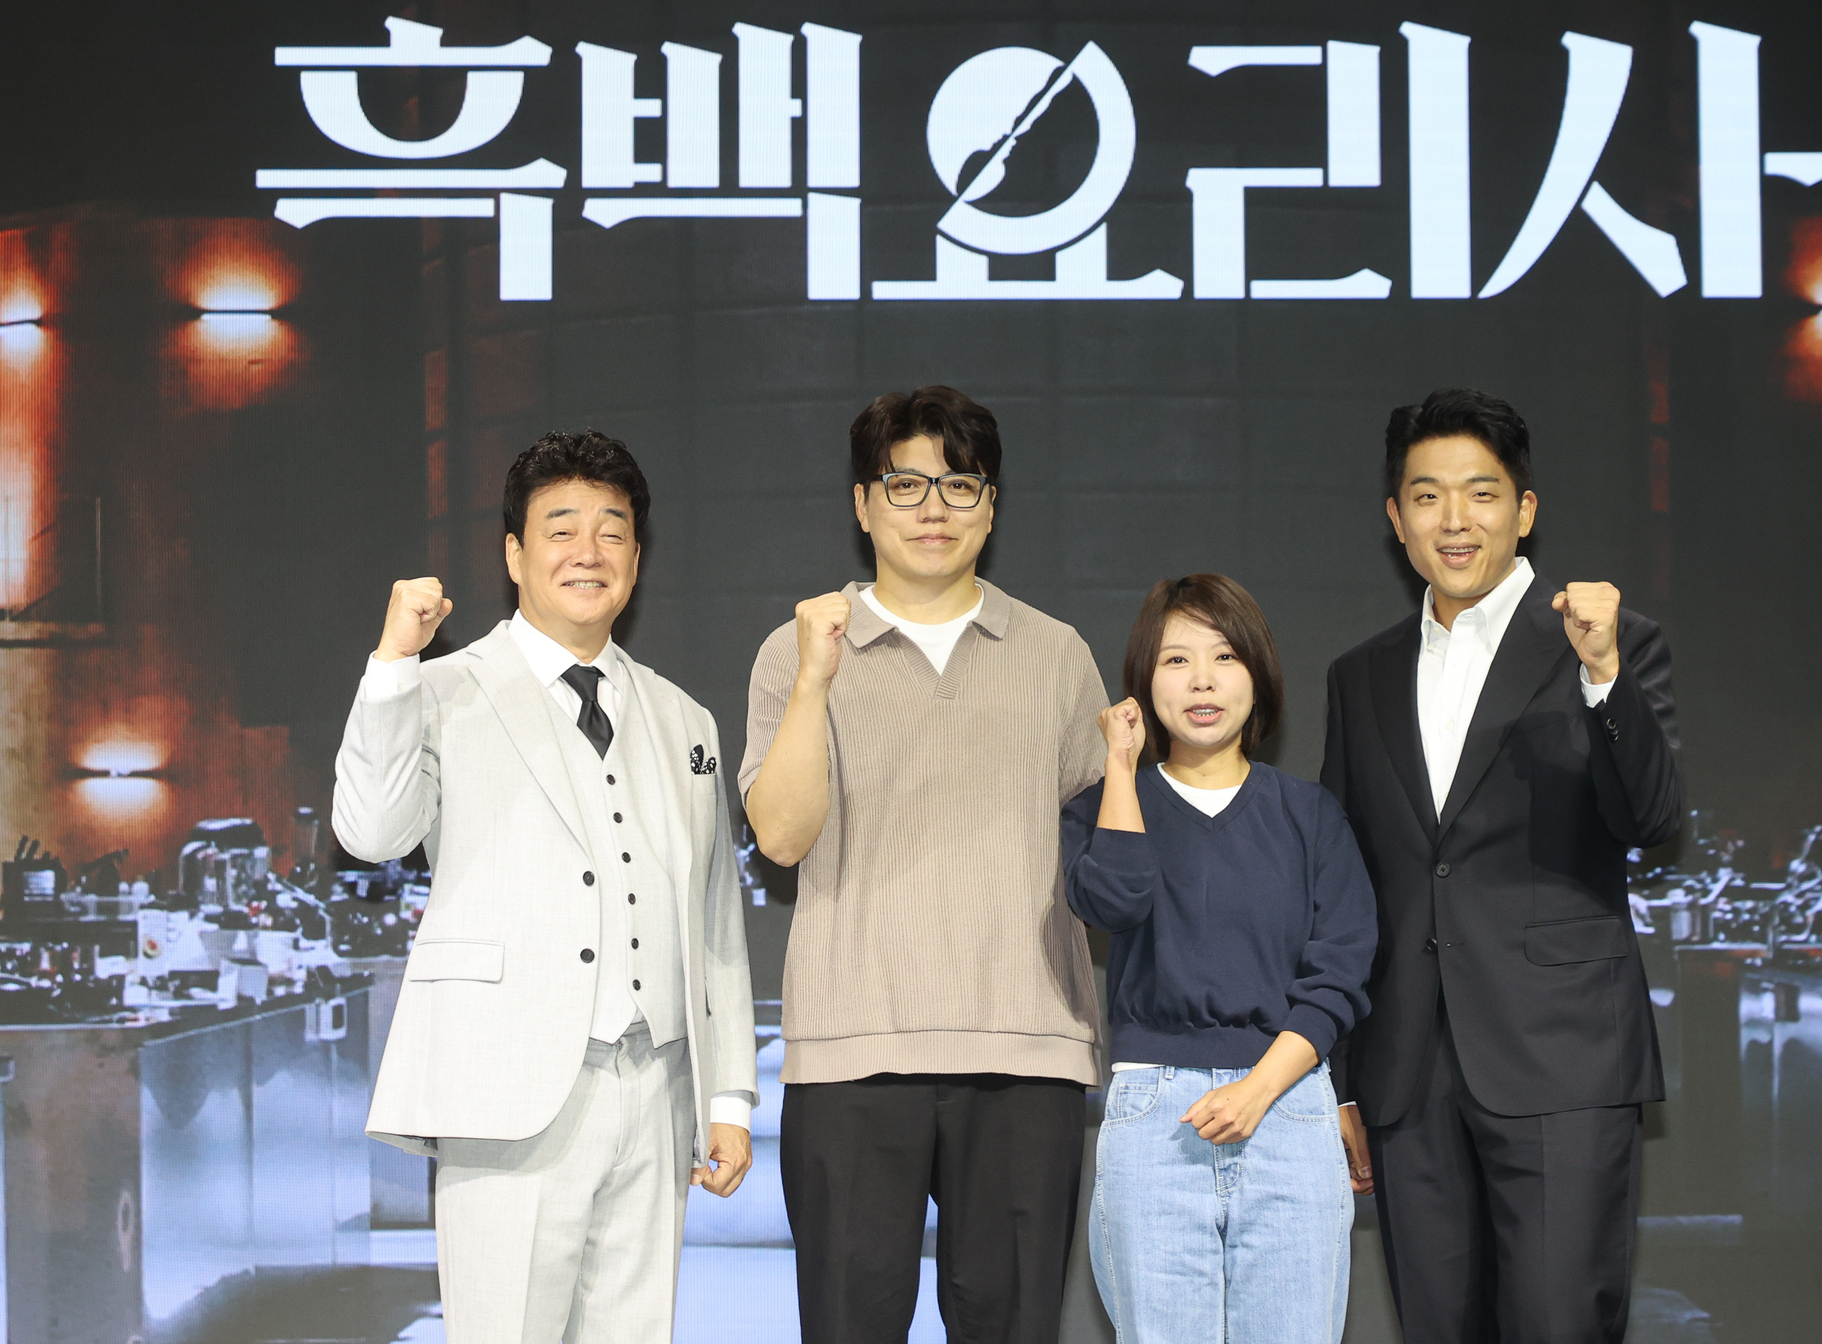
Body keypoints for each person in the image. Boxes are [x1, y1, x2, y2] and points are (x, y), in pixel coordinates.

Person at [332, 430, 758, 1344]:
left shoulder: (684, 716)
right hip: (503, 1081)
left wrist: (727, 1099)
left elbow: (713, 915)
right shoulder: (439, 688)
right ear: (515, 556)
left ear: (637, 561)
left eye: (613, 531)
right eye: (561, 528)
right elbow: (370, 833)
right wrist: (391, 664)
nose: (588, 551)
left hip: (658, 1084)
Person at [740, 386, 1108, 1344]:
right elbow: (778, 838)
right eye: (905, 485)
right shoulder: (795, 650)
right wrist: (819, 680)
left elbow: (1105, 860)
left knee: (1014, 1325)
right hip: (854, 1052)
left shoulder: (1058, 654)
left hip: (1024, 1048)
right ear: (862, 504)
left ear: (992, 504)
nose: (933, 508)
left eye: (959, 484)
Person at [1321, 389, 1682, 1344]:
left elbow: (1649, 815)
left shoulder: (1606, 645)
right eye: (1426, 496)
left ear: (1523, 511)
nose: (1453, 520)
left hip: (1560, 1058)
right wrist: (1346, 1077)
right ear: (1395, 518)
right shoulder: (1359, 676)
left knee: (1559, 1324)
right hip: (1406, 1073)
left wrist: (1601, 673)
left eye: (1480, 494)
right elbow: (1349, 885)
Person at [1063, 574, 1377, 1344]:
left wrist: (1258, 1091)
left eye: (1225, 656)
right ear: (1142, 682)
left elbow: (1340, 971)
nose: (1201, 680)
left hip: (1288, 1108)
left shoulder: (1309, 815)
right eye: (1175, 661)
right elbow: (1116, 901)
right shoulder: (1100, 806)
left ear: (1257, 677)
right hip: (1153, 1118)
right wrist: (1120, 765)